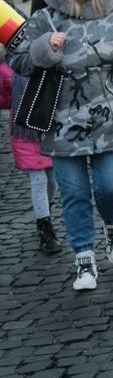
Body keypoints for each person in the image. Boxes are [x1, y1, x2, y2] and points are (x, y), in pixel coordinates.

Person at [9, 0, 113, 291]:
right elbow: (17, 60)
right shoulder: (44, 19)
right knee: (73, 193)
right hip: (62, 121)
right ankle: (84, 258)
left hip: (110, 117)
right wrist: (43, 47)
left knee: (110, 186)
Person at [0, 61, 61, 254]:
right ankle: (45, 226)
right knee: (38, 179)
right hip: (24, 131)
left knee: (52, 178)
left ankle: (46, 210)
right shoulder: (6, 68)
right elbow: (3, 98)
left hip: (50, 127)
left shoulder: (51, 61)